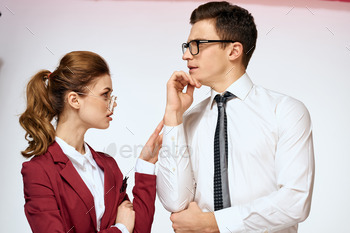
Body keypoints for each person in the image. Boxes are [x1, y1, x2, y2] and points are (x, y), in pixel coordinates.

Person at [156, 1, 315, 233]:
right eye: (187, 45)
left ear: (233, 50)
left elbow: (295, 201)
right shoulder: (188, 120)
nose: (186, 55)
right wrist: (173, 115)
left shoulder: (286, 111)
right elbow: (175, 202)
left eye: (197, 44)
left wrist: (214, 224)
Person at [19, 51, 163, 233]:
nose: (113, 103)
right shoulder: (39, 171)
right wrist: (120, 229)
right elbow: (126, 228)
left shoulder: (108, 165)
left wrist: (146, 165)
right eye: (105, 95)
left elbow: (139, 230)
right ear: (74, 100)